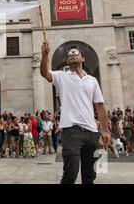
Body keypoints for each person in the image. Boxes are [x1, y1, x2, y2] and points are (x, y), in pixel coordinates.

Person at [41, 41, 110, 184]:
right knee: (70, 172)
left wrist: (105, 131)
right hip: (71, 131)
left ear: (82, 58)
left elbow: (100, 106)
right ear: (67, 60)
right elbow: (44, 73)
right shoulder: (61, 76)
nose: (73, 55)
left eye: (75, 53)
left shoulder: (92, 80)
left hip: (91, 132)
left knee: (90, 175)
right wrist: (45, 55)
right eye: (70, 55)